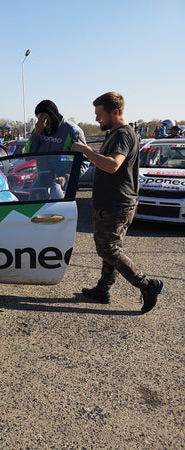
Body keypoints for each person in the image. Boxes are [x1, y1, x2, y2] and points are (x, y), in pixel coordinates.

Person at [72, 92, 163, 314]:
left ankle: (147, 285)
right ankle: (103, 289)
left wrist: (86, 151)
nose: (96, 119)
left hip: (117, 203)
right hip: (109, 201)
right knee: (109, 249)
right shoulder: (115, 133)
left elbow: (113, 165)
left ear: (115, 112)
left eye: (99, 115)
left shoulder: (123, 134)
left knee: (109, 249)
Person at [22, 99, 88, 198]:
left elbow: (83, 162)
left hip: (62, 184)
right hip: (40, 181)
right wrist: (36, 134)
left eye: (44, 117)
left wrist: (67, 177)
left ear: (51, 114)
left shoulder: (73, 131)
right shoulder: (39, 130)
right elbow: (26, 157)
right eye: (39, 118)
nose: (42, 122)